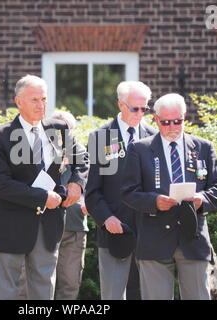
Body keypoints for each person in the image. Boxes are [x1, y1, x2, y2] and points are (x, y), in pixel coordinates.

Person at [0, 75, 89, 300]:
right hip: (9, 226)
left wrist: (77, 184)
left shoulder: (59, 128)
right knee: (4, 293)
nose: (41, 105)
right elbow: (2, 185)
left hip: (48, 225)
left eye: (44, 99)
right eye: (34, 100)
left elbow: (82, 159)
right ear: (18, 101)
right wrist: (42, 197)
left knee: (44, 293)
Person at [121, 93, 217, 300]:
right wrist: (154, 201)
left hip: (193, 238)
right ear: (156, 120)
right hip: (154, 239)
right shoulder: (139, 149)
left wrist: (201, 199)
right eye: (166, 122)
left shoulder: (203, 147)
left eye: (177, 121)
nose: (172, 127)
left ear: (185, 117)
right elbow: (128, 192)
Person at [85, 80, 157, 300]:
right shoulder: (100, 137)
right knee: (113, 296)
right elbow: (92, 191)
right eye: (134, 108)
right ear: (120, 105)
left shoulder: (154, 137)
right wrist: (106, 218)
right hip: (115, 231)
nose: (140, 113)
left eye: (144, 108)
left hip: (149, 232)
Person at [50, 110, 89, 300]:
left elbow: (93, 185)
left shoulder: (82, 154)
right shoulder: (37, 151)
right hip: (42, 228)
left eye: (67, 130)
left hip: (74, 228)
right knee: (32, 287)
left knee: (69, 287)